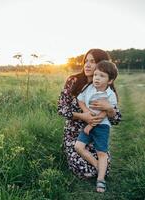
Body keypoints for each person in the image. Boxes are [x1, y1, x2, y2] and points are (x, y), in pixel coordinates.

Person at [57, 49, 121, 180]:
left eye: (92, 61)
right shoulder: (73, 80)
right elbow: (61, 108)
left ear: (102, 64)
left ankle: (100, 170)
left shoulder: (106, 86)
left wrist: (109, 109)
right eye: (86, 61)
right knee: (84, 170)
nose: (87, 65)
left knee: (105, 169)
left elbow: (116, 119)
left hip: (96, 133)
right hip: (74, 134)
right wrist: (83, 116)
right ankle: (97, 168)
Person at [75, 60, 119, 193]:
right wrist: (85, 111)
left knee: (102, 152)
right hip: (88, 122)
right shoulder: (89, 88)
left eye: (102, 76)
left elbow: (106, 112)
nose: (97, 78)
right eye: (95, 75)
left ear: (110, 81)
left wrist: (91, 124)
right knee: (78, 146)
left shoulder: (110, 94)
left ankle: (101, 180)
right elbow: (80, 99)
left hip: (101, 127)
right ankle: (98, 166)